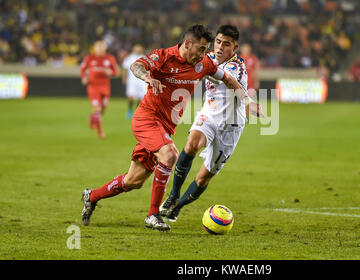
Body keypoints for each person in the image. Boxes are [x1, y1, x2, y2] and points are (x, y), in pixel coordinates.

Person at [81, 24, 264, 231]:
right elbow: (136, 66)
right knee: (170, 154)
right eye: (202, 49)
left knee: (134, 180)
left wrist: (249, 102)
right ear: (188, 44)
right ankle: (153, 215)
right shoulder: (164, 57)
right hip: (147, 119)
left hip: (166, 127)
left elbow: (230, 81)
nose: (205, 54)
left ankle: (92, 196)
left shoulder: (202, 64)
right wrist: (147, 77)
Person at [160, 25, 249, 222]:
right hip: (209, 114)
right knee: (191, 145)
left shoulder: (237, 66)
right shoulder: (205, 57)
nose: (219, 47)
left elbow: (225, 80)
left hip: (231, 125)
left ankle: (178, 206)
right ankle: (173, 195)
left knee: (203, 177)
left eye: (226, 44)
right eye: (217, 42)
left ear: (234, 48)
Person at [80, 40, 119, 139]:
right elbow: (82, 68)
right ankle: (100, 132)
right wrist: (84, 77)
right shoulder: (89, 58)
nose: (100, 48)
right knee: (97, 109)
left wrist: (110, 72)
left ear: (105, 48)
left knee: (103, 109)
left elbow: (116, 72)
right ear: (94, 47)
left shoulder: (110, 58)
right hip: (93, 87)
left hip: (105, 87)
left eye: (102, 46)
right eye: (98, 46)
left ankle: (93, 117)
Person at [122, 44, 147, 119]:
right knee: (131, 96)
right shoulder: (129, 58)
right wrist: (124, 78)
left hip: (142, 80)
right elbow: (125, 69)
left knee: (141, 96)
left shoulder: (145, 58)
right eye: (137, 48)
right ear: (133, 49)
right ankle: (129, 110)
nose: (138, 49)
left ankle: (137, 111)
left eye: (140, 48)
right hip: (132, 80)